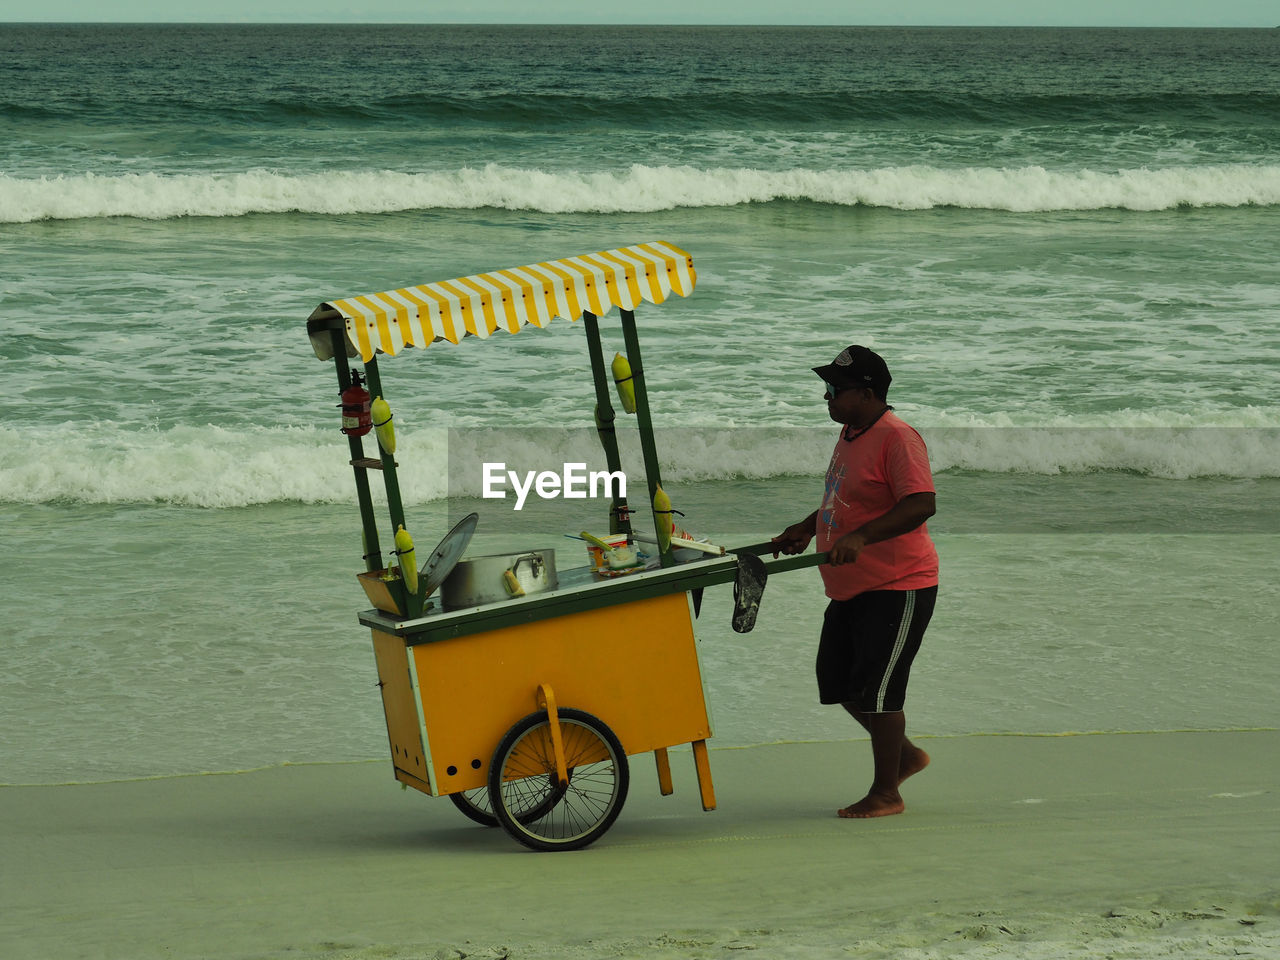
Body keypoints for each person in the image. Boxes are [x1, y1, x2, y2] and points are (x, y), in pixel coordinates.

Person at [772, 345, 939, 819]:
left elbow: (921, 504)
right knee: (839, 681)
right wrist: (808, 526)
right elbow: (846, 498)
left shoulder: (898, 438)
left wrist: (862, 538)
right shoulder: (851, 432)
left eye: (834, 390)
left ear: (865, 394)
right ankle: (904, 755)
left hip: (899, 583)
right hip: (852, 586)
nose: (826, 397)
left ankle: (887, 792)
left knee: (881, 691)